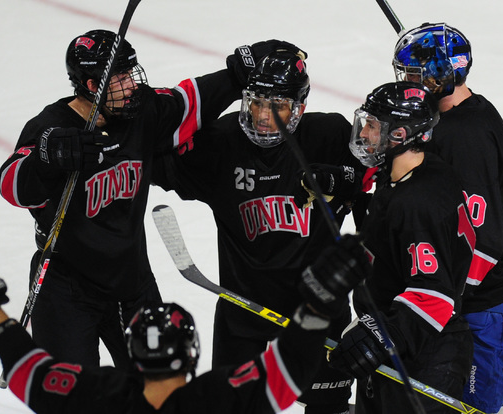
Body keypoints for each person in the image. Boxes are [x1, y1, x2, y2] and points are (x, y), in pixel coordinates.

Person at [0, 29, 304, 370]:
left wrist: (236, 73)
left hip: (130, 281)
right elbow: (12, 186)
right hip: (67, 287)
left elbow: (188, 102)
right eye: (120, 77)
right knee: (69, 399)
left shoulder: (140, 111)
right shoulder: (51, 128)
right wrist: (47, 156)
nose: (131, 84)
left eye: (130, 73)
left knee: (156, 389)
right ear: (90, 86)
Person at [152, 50, 374, 414]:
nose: (264, 117)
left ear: (299, 107)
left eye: (279, 106)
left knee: (327, 408)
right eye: (256, 103)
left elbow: (382, 177)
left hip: (317, 307)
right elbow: (155, 145)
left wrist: (342, 180)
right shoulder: (220, 142)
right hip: (244, 312)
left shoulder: (328, 136)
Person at [0, 230, 369, 413]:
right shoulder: (216, 401)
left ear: (133, 351)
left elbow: (25, 371)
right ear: (191, 353)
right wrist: (318, 303)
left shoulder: (97, 397)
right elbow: (291, 369)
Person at [392, 23, 503, 413]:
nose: (407, 85)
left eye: (414, 76)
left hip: (490, 306)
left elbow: (487, 239)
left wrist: (441, 299)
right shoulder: (460, 114)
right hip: (486, 302)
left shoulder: (464, 134)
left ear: (443, 74)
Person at [326, 81, 476, 413]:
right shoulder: (413, 171)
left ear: (400, 134)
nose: (364, 134)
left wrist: (380, 335)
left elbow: (434, 295)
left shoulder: (419, 203)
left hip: (425, 354)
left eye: (373, 126)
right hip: (399, 344)